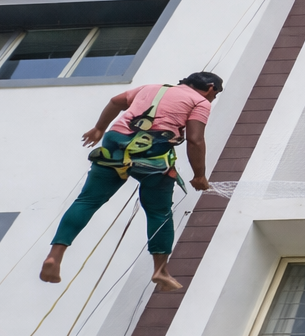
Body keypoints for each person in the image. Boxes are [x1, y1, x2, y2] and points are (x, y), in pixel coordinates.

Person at [40, 72, 223, 290]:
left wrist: (99, 128)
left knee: (87, 201)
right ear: (210, 88)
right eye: (215, 95)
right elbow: (195, 139)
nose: (213, 99)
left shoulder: (150, 88)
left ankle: (55, 255)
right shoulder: (200, 102)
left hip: (114, 146)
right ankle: (160, 270)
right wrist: (199, 175)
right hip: (151, 154)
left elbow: (116, 101)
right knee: (159, 212)